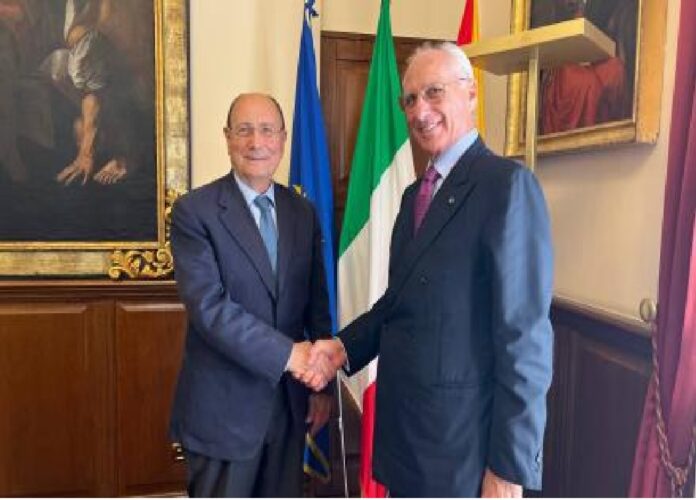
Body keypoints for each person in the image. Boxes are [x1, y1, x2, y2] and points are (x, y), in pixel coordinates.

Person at [307, 42, 554, 497]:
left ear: (471, 93)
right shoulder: (413, 197)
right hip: (408, 440)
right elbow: (398, 304)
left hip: (464, 452)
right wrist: (342, 348)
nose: (420, 111)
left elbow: (525, 341)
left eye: (434, 92)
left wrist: (508, 468)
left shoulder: (506, 187)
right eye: (411, 99)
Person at [169, 93, 333, 497]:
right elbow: (209, 309)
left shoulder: (303, 212)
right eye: (244, 130)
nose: (256, 142)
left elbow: (316, 306)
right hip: (223, 415)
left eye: (266, 130)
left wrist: (321, 388)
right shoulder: (195, 211)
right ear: (227, 138)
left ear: (283, 138)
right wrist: (290, 355)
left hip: (289, 410)